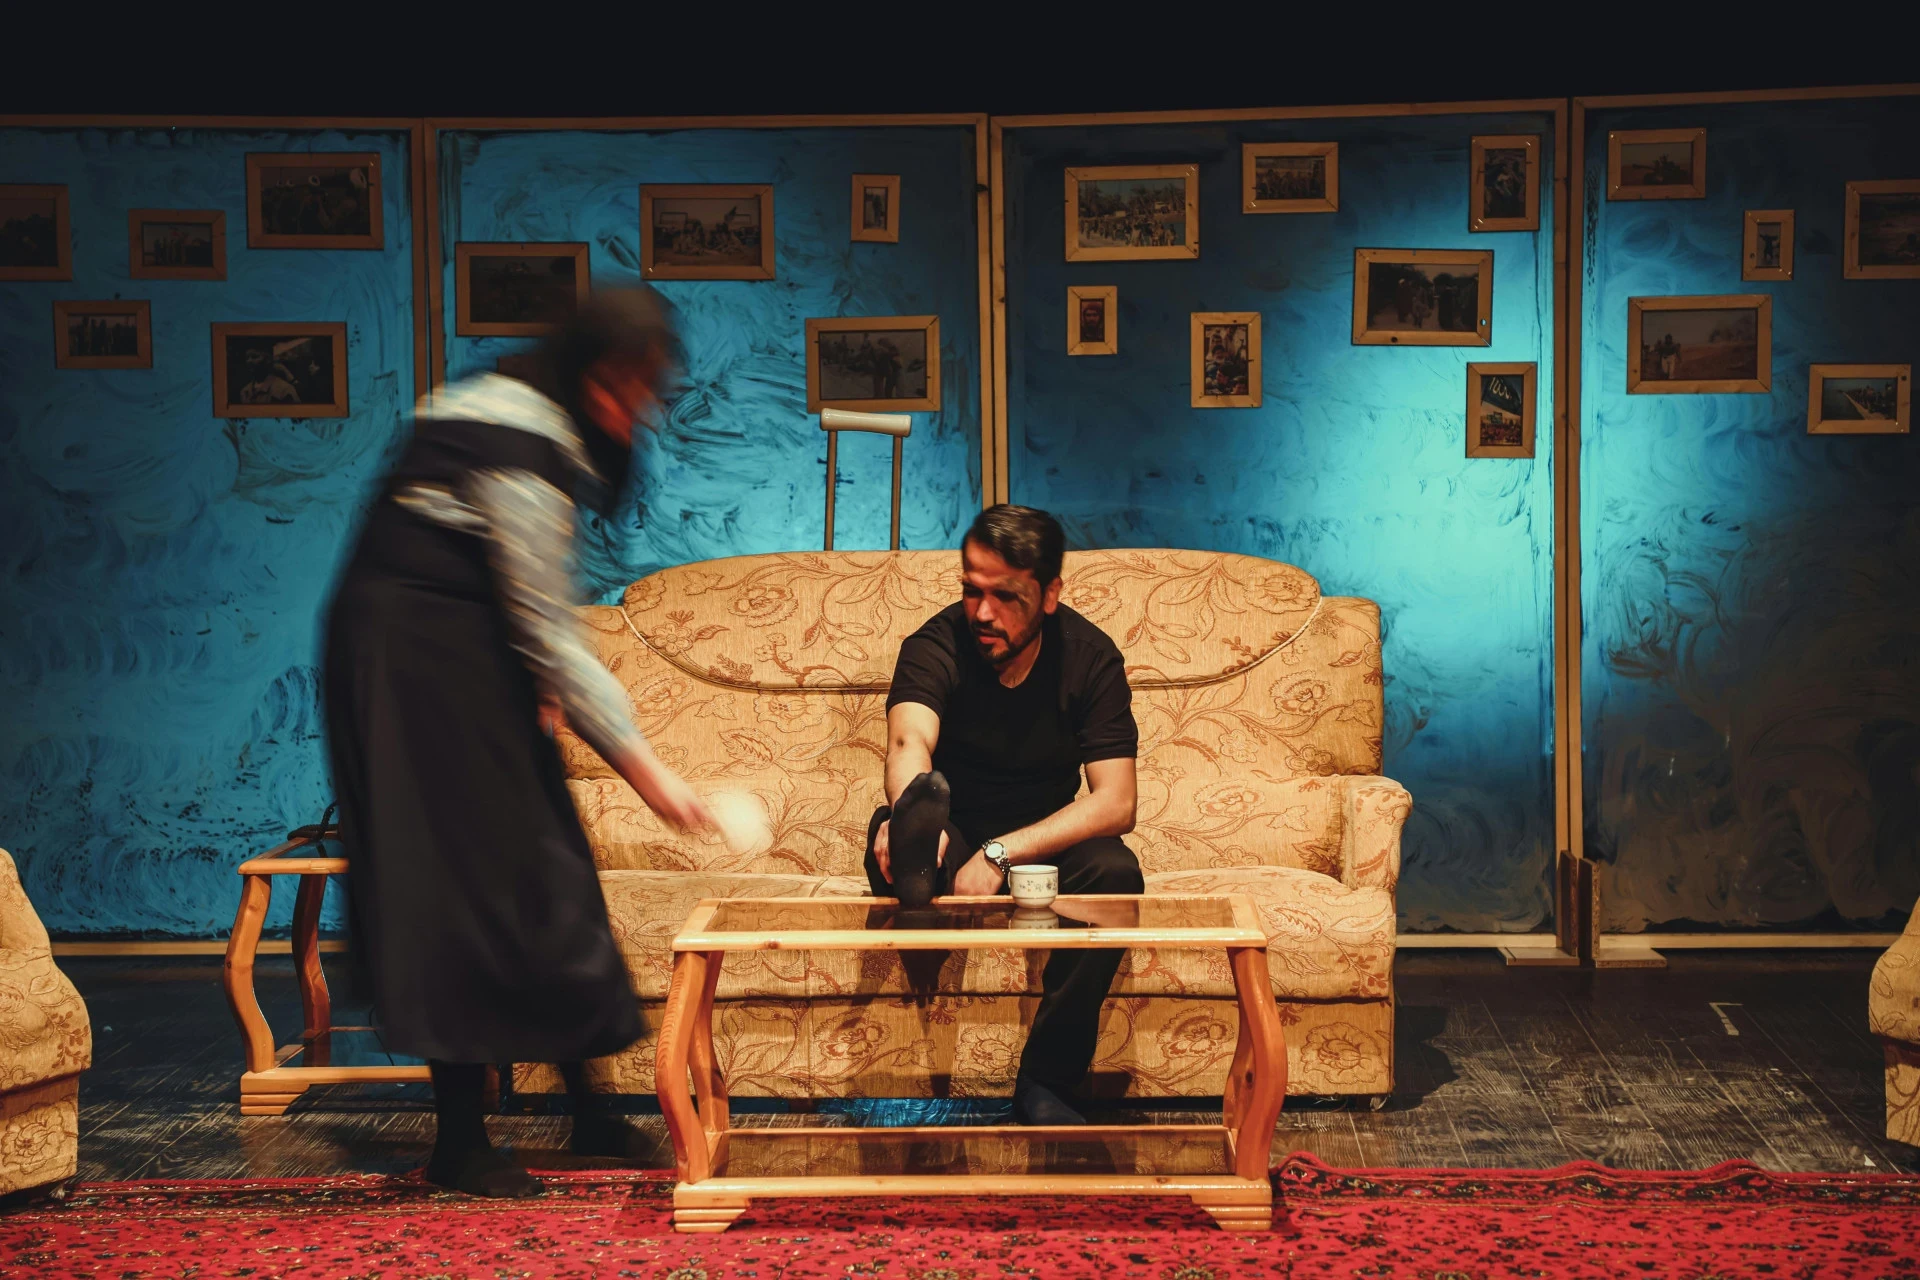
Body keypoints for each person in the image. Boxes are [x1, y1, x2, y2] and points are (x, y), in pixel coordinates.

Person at [322, 287, 713, 1199]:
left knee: (547, 866)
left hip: (469, 649)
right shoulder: (516, 436)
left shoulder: (542, 421)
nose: (637, 413)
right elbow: (546, 626)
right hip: (410, 665)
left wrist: (531, 687)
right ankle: (460, 1141)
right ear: (591, 373)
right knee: (456, 890)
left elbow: (513, 599)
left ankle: (590, 1111)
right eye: (628, 389)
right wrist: (646, 767)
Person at [868, 504, 1143, 1126]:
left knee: (1116, 874)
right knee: (894, 834)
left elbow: (1117, 801)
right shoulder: (935, 644)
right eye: (973, 590)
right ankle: (915, 862)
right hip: (951, 823)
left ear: (1049, 594)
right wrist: (912, 816)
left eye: (1006, 596)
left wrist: (1001, 855)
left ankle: (1046, 1082)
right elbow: (909, 741)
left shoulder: (1089, 657)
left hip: (1042, 840)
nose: (983, 613)